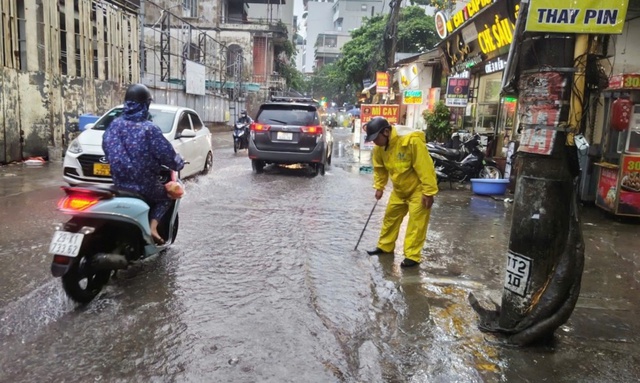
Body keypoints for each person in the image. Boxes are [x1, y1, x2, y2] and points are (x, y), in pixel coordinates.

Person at [102, 83, 184, 245]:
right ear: (146, 105)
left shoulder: (114, 125)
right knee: (166, 197)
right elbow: (167, 155)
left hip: (119, 184)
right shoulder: (149, 129)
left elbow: (106, 148)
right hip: (144, 185)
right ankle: (152, 228)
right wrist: (178, 163)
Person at [364, 117, 438, 268]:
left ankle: (412, 256)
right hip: (399, 190)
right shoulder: (379, 148)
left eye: (376, 138)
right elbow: (380, 169)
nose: (374, 142)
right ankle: (385, 246)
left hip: (418, 190)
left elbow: (425, 167)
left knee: (416, 224)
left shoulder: (411, 141)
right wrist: (379, 187)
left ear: (386, 132)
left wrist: (428, 192)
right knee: (390, 218)